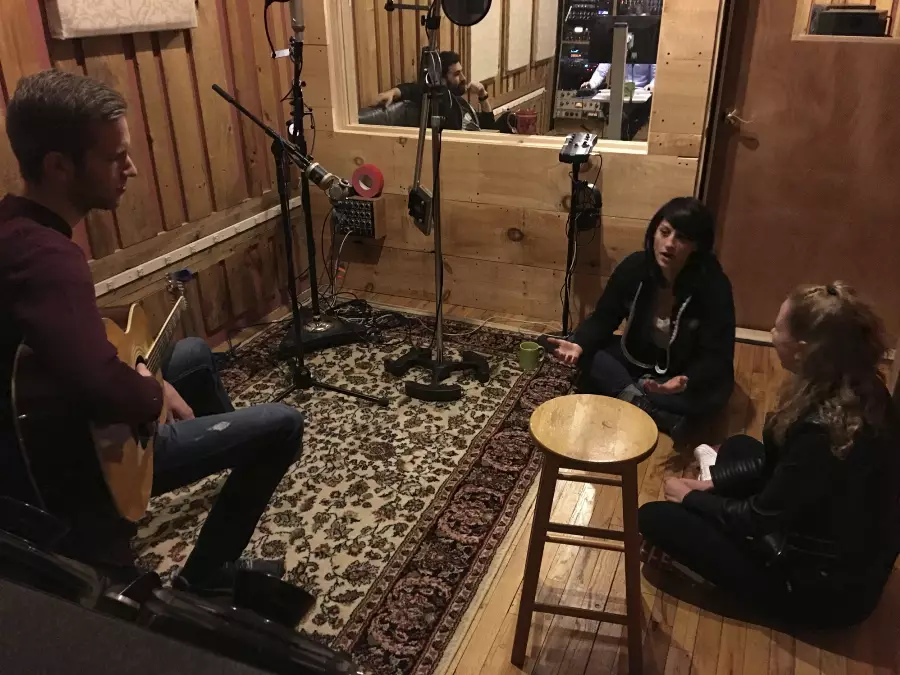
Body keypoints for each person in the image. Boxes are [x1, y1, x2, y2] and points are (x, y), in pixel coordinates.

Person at [0, 69, 305, 595]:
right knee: (284, 424)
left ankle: (230, 452)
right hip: (82, 459)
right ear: (59, 166)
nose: (132, 169)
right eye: (115, 157)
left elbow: (62, 341)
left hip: (49, 418)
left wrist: (143, 371)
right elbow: (103, 389)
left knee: (192, 352)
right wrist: (151, 391)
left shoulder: (15, 228)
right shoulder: (47, 257)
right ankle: (204, 578)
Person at [639, 283, 900, 628]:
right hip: (835, 551)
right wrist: (713, 486)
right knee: (739, 448)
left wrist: (691, 499)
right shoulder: (861, 386)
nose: (773, 335)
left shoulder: (822, 430)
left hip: (818, 591)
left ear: (802, 350)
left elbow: (758, 518)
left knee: (655, 518)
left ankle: (704, 564)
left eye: (777, 329)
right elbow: (786, 471)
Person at [548, 197, 735, 436]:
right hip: (641, 359)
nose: (669, 244)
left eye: (682, 238)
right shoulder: (635, 266)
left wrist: (684, 380)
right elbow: (604, 317)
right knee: (589, 352)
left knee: (714, 392)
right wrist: (579, 344)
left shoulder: (713, 285)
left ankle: (632, 394)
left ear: (697, 246)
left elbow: (717, 355)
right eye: (664, 232)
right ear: (654, 231)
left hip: (682, 372)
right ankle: (647, 406)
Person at [373, 51, 495, 131]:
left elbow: (489, 128)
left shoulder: (459, 102)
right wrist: (393, 92)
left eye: (461, 72)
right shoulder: (441, 99)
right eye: (457, 74)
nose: (463, 78)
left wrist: (483, 96)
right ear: (442, 79)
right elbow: (415, 89)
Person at [579, 62, 655, 141]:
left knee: (628, 124)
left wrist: (651, 86)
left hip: (641, 92)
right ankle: (623, 139)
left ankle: (624, 139)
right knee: (618, 119)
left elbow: (655, 75)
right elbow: (601, 72)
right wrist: (591, 84)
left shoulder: (650, 55)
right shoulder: (614, 53)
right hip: (619, 90)